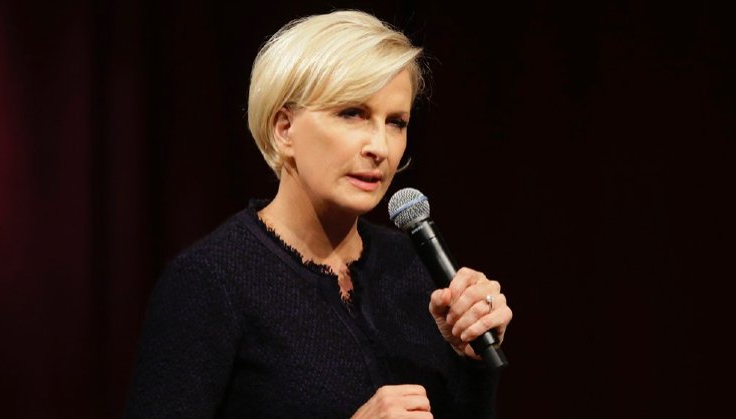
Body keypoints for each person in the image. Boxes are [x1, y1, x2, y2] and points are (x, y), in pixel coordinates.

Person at [124, 9, 513, 419]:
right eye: (352, 113)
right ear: (284, 129)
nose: (380, 147)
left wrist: (470, 360)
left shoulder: (412, 267)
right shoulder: (210, 281)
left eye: (396, 122)